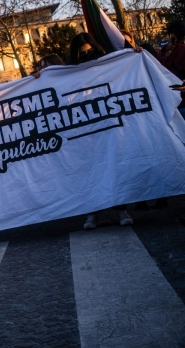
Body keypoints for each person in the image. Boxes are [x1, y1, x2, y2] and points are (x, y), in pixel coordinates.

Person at [68, 33, 134, 229]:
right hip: (86, 129)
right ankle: (92, 214)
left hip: (108, 123)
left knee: (113, 166)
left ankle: (121, 210)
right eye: (82, 53)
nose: (87, 55)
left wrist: (135, 54)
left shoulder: (107, 62)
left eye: (90, 51)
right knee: (91, 171)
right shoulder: (69, 71)